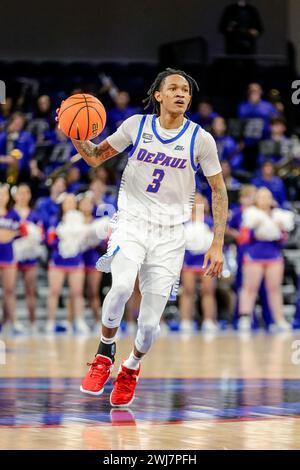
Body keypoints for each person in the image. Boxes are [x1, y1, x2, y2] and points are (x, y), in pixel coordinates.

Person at [67, 68, 228, 407]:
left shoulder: (200, 139)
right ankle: (103, 353)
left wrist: (217, 243)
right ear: (158, 95)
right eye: (173, 88)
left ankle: (131, 367)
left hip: (170, 235)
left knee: (150, 326)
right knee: (122, 287)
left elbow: (219, 191)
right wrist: (74, 133)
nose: (181, 93)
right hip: (133, 223)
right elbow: (95, 156)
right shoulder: (136, 126)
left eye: (186, 89)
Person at [238, 187, 294, 332]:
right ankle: (245, 318)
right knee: (250, 288)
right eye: (261, 196)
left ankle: (279, 320)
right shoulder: (250, 214)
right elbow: (243, 238)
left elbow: (283, 239)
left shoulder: (279, 215)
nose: (264, 199)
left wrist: (281, 231)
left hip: (273, 254)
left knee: (275, 289)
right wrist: (253, 233)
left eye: (267, 196)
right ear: (256, 199)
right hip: (254, 253)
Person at [46, 193, 88, 335]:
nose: (70, 205)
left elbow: (85, 240)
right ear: (62, 205)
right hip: (58, 260)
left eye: (72, 202)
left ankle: (79, 320)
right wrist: (61, 241)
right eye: (67, 202)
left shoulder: (81, 220)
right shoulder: (55, 220)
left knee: (77, 293)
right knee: (54, 292)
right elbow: (50, 240)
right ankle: (50, 322)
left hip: (76, 261)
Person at [180, 193, 218, 334]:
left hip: (205, 260)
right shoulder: (184, 222)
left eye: (201, 202)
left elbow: (215, 240)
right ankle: (185, 321)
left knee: (208, 291)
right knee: (188, 291)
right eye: (195, 202)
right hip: (189, 260)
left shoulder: (209, 221)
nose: (198, 205)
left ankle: (209, 320)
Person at [13, 184, 42, 334]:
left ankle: (32, 323)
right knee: (9, 291)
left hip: (30, 258)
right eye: (20, 192)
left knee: (30, 290)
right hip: (12, 257)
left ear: (30, 195)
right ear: (15, 195)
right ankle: (11, 322)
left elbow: (40, 236)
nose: (23, 195)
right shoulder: (10, 213)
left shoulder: (35, 214)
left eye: (26, 192)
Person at [0, 184, 24, 334]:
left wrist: (6, 235)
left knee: (9, 290)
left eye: (4, 194)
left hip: (9, 256)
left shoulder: (13, 213)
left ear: (8, 197)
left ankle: (12, 321)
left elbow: (18, 233)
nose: (2, 197)